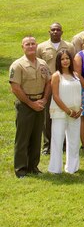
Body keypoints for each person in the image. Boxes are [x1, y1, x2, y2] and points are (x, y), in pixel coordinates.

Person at [9, 36, 51, 178]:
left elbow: (48, 82)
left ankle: (33, 166)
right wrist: (31, 103)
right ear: (23, 47)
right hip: (25, 105)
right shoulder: (18, 65)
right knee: (23, 138)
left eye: (33, 44)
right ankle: (21, 169)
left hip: (40, 103)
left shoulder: (43, 63)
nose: (31, 46)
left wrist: (44, 99)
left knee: (36, 137)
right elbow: (15, 88)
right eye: (28, 44)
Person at [36, 22, 75, 155]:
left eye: (58, 30)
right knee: (48, 117)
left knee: (64, 113)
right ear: (49, 32)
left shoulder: (69, 46)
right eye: (53, 30)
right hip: (47, 86)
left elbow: (72, 65)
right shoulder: (41, 47)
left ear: (62, 32)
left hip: (65, 85)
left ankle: (64, 144)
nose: (55, 32)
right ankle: (47, 145)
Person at [48, 50, 82, 174]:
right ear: (59, 61)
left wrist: (80, 109)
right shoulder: (57, 76)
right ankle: (55, 168)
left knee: (74, 140)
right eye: (62, 59)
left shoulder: (75, 75)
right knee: (57, 139)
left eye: (67, 58)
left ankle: (72, 167)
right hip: (60, 112)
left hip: (76, 112)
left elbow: (80, 93)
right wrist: (67, 111)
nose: (65, 61)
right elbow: (56, 96)